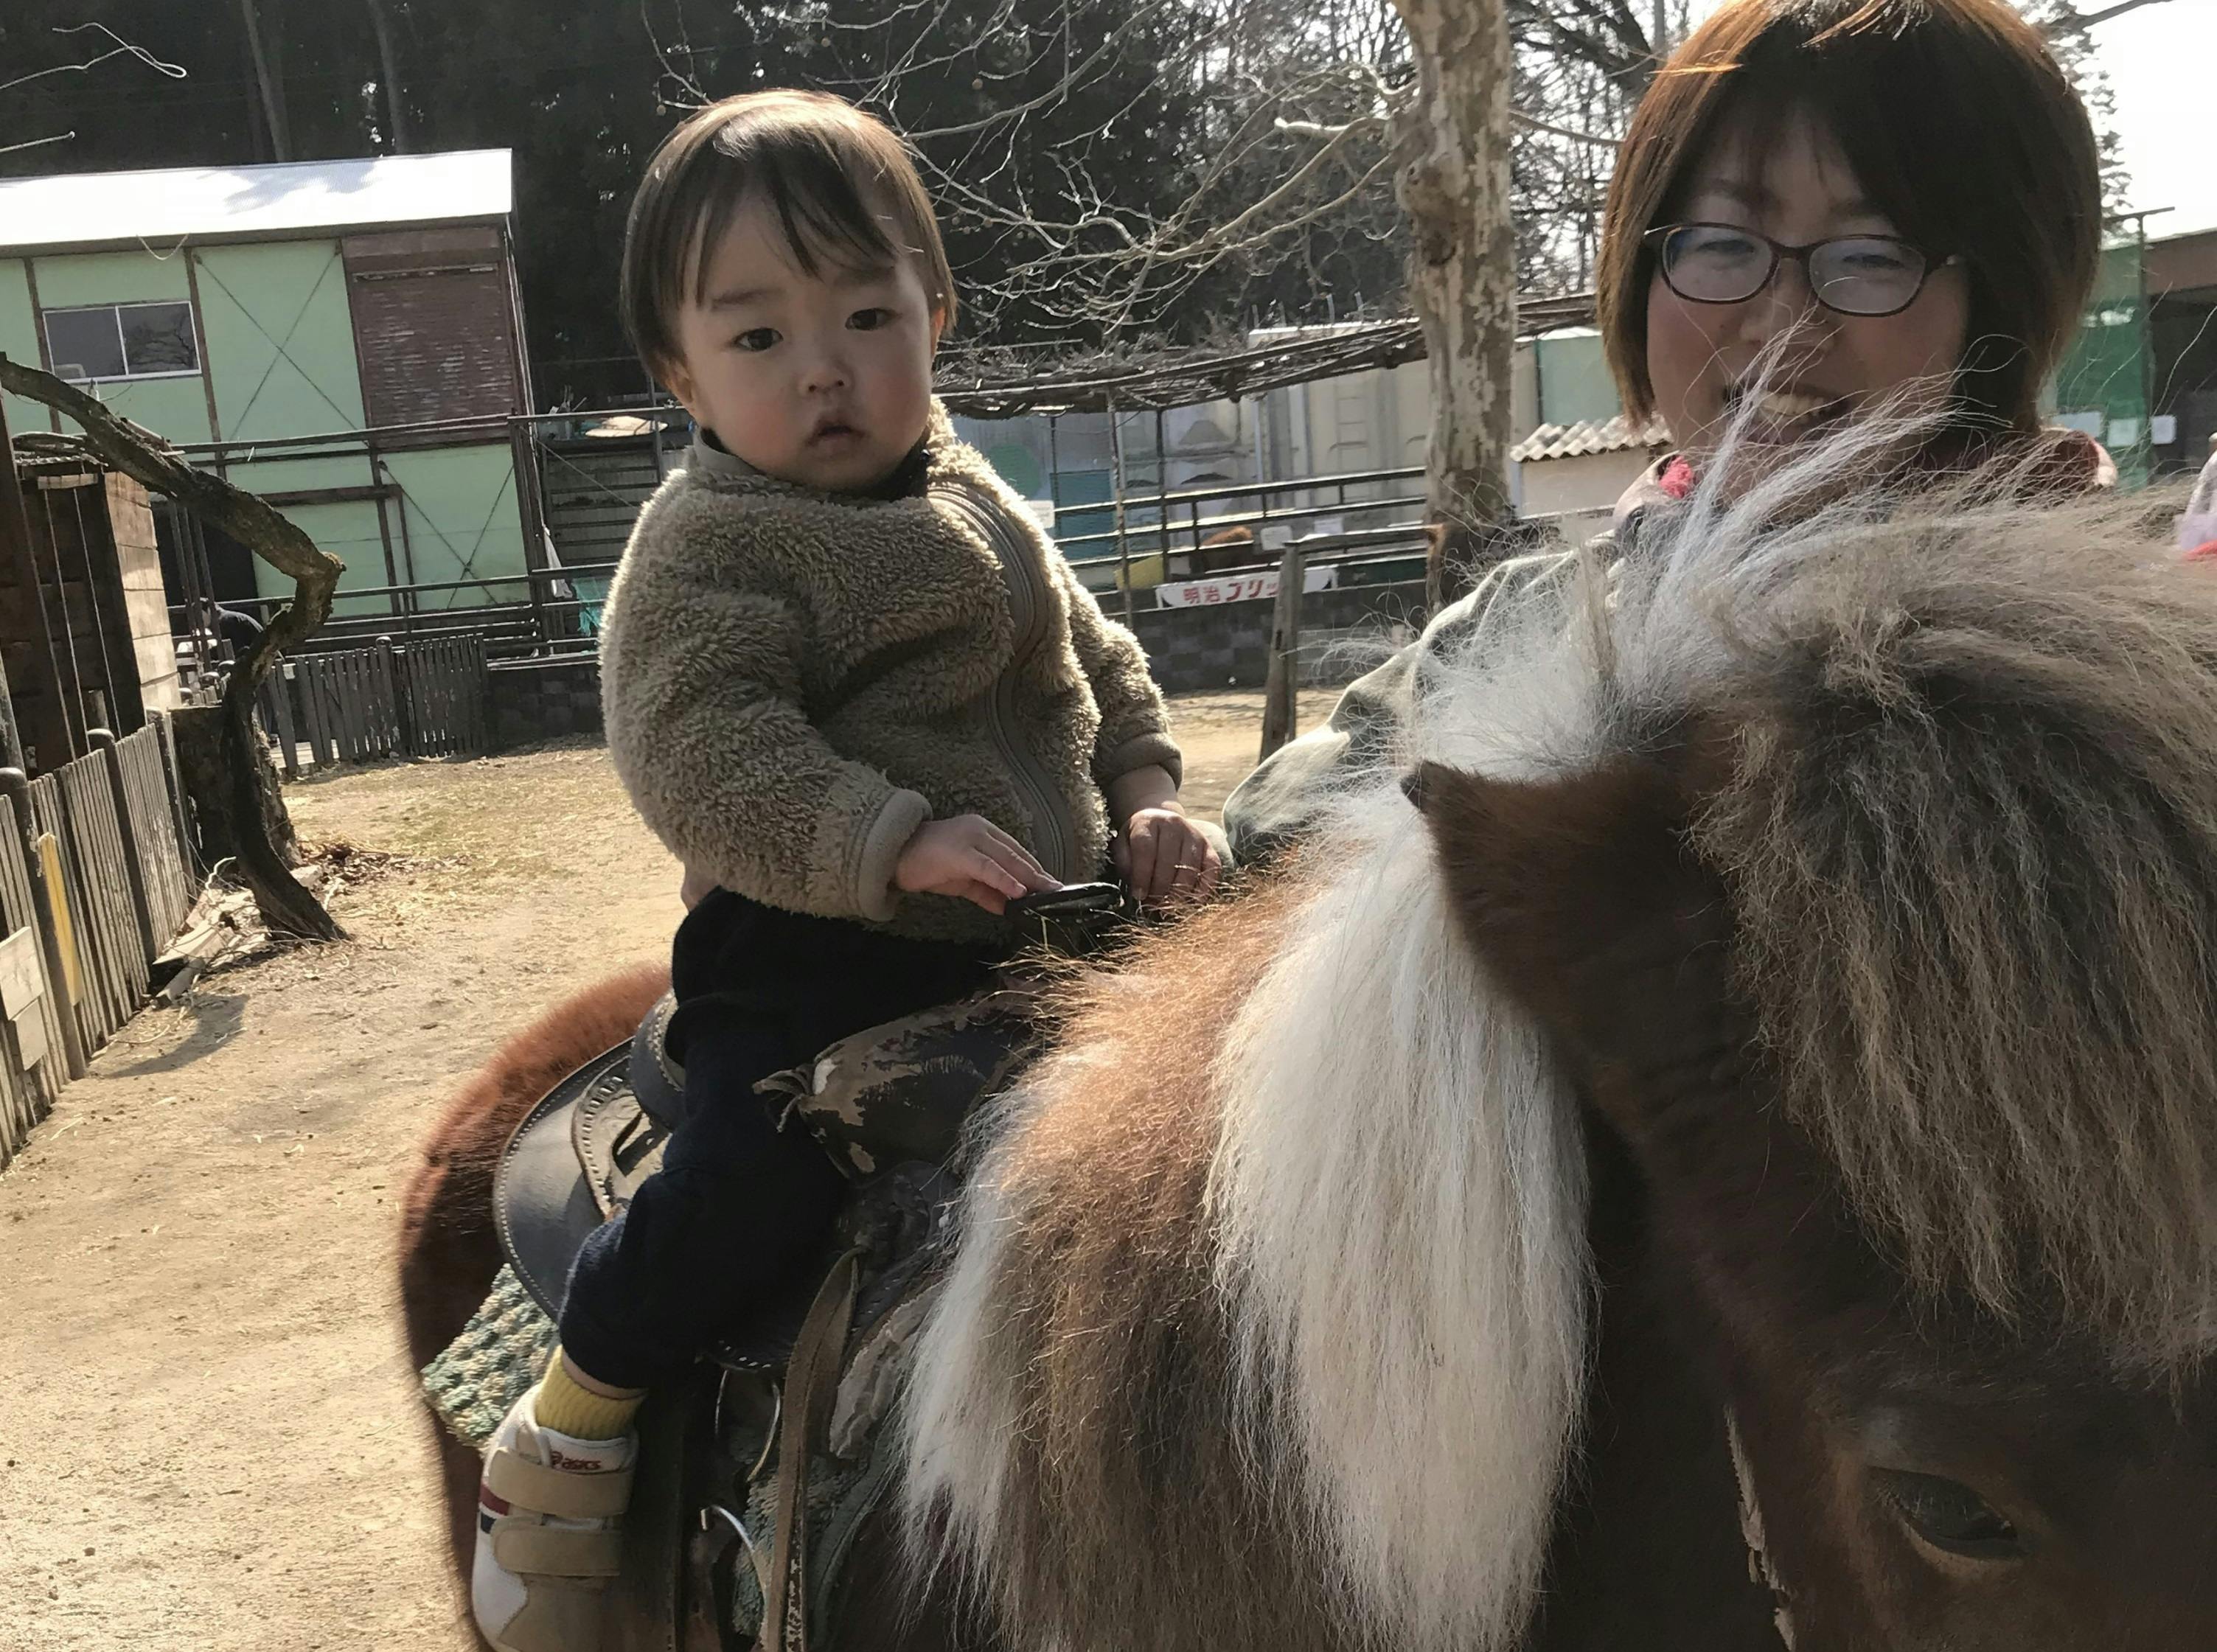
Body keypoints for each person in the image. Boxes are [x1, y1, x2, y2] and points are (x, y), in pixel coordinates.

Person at [470, 90, 1220, 1652]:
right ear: (679, 373)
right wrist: (889, 837)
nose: (824, 366)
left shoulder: (975, 495)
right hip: (819, 956)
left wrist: (1149, 789)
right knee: (755, 1184)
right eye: (756, 337)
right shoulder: (710, 549)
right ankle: (581, 1401)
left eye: (866, 313)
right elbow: (704, 752)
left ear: (933, 316)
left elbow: (1092, 653)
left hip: (1029, 929)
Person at [1225, 0, 2108, 858]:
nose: (1783, 324)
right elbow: (1270, 836)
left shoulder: (2108, 671)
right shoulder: (1519, 625)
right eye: (1722, 242)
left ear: (1999, 304)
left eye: (1873, 256)